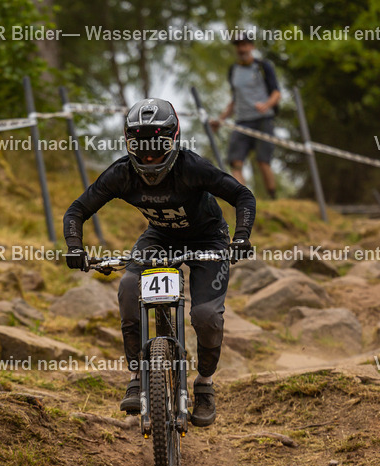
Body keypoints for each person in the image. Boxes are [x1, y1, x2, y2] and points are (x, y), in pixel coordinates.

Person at [63, 98, 256, 427]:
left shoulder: (192, 167)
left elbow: (242, 195)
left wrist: (240, 238)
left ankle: (205, 385)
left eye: (157, 147)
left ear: (174, 140)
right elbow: (77, 210)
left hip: (208, 240)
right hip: (160, 237)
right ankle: (137, 376)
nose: (149, 156)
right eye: (141, 148)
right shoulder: (122, 174)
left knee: (206, 316)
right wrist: (74, 247)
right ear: (129, 144)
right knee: (128, 287)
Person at [210, 35, 281, 199]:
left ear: (251, 47)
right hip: (241, 121)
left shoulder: (263, 66)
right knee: (235, 161)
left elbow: (277, 93)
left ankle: (273, 198)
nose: (241, 49)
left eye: (244, 45)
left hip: (264, 119)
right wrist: (220, 120)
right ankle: (242, 199)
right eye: (238, 46)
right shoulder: (233, 70)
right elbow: (234, 100)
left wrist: (266, 105)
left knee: (263, 161)